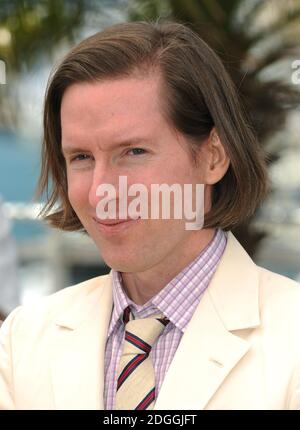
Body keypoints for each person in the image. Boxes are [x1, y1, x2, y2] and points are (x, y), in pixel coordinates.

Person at [1, 20, 300, 411]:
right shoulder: (24, 340)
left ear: (213, 156)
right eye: (81, 158)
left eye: (134, 152)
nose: (100, 190)